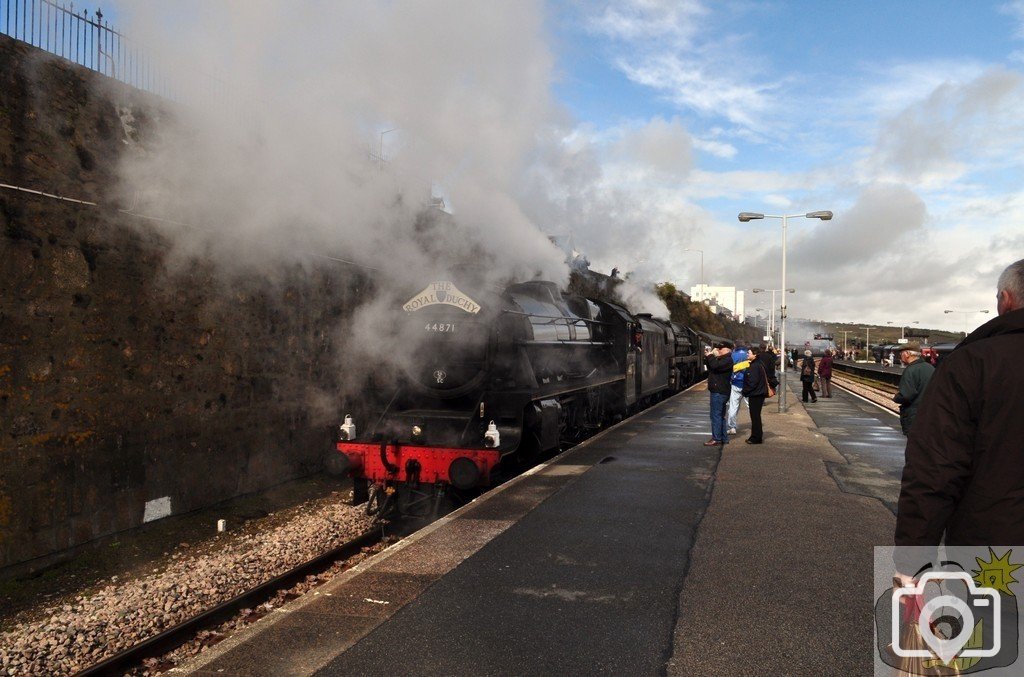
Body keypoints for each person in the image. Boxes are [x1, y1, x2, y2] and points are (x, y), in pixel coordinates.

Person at [895, 258, 1024, 549]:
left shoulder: (974, 362)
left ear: (1006, 300)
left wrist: (912, 561)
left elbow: (935, 469)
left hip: (996, 552)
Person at [891, 342, 934, 435]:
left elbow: (906, 395)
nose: (900, 355)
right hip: (931, 415)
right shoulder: (931, 368)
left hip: (914, 416)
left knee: (914, 445)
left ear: (907, 354)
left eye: (901, 353)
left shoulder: (910, 370)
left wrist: (896, 397)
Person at [741, 344, 778, 444]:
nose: (747, 354)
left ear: (755, 354)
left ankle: (756, 437)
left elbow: (752, 382)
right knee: (756, 416)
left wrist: (745, 391)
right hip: (759, 393)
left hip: (756, 394)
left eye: (749, 353)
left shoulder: (754, 366)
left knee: (755, 416)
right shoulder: (758, 364)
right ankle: (756, 436)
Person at [703, 341, 734, 446]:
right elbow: (711, 367)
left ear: (727, 349)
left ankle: (716, 438)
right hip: (719, 390)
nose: (718, 350)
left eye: (720, 349)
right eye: (717, 349)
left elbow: (715, 366)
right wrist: (708, 357)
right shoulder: (722, 359)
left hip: (719, 391)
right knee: (720, 416)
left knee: (716, 415)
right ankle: (723, 438)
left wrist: (711, 356)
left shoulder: (727, 360)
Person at [727, 345, 750, 435]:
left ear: (735, 346)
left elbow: (729, 369)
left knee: (733, 406)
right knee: (751, 406)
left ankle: (732, 427)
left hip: (736, 383)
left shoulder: (733, 354)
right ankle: (755, 425)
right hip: (747, 384)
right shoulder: (748, 354)